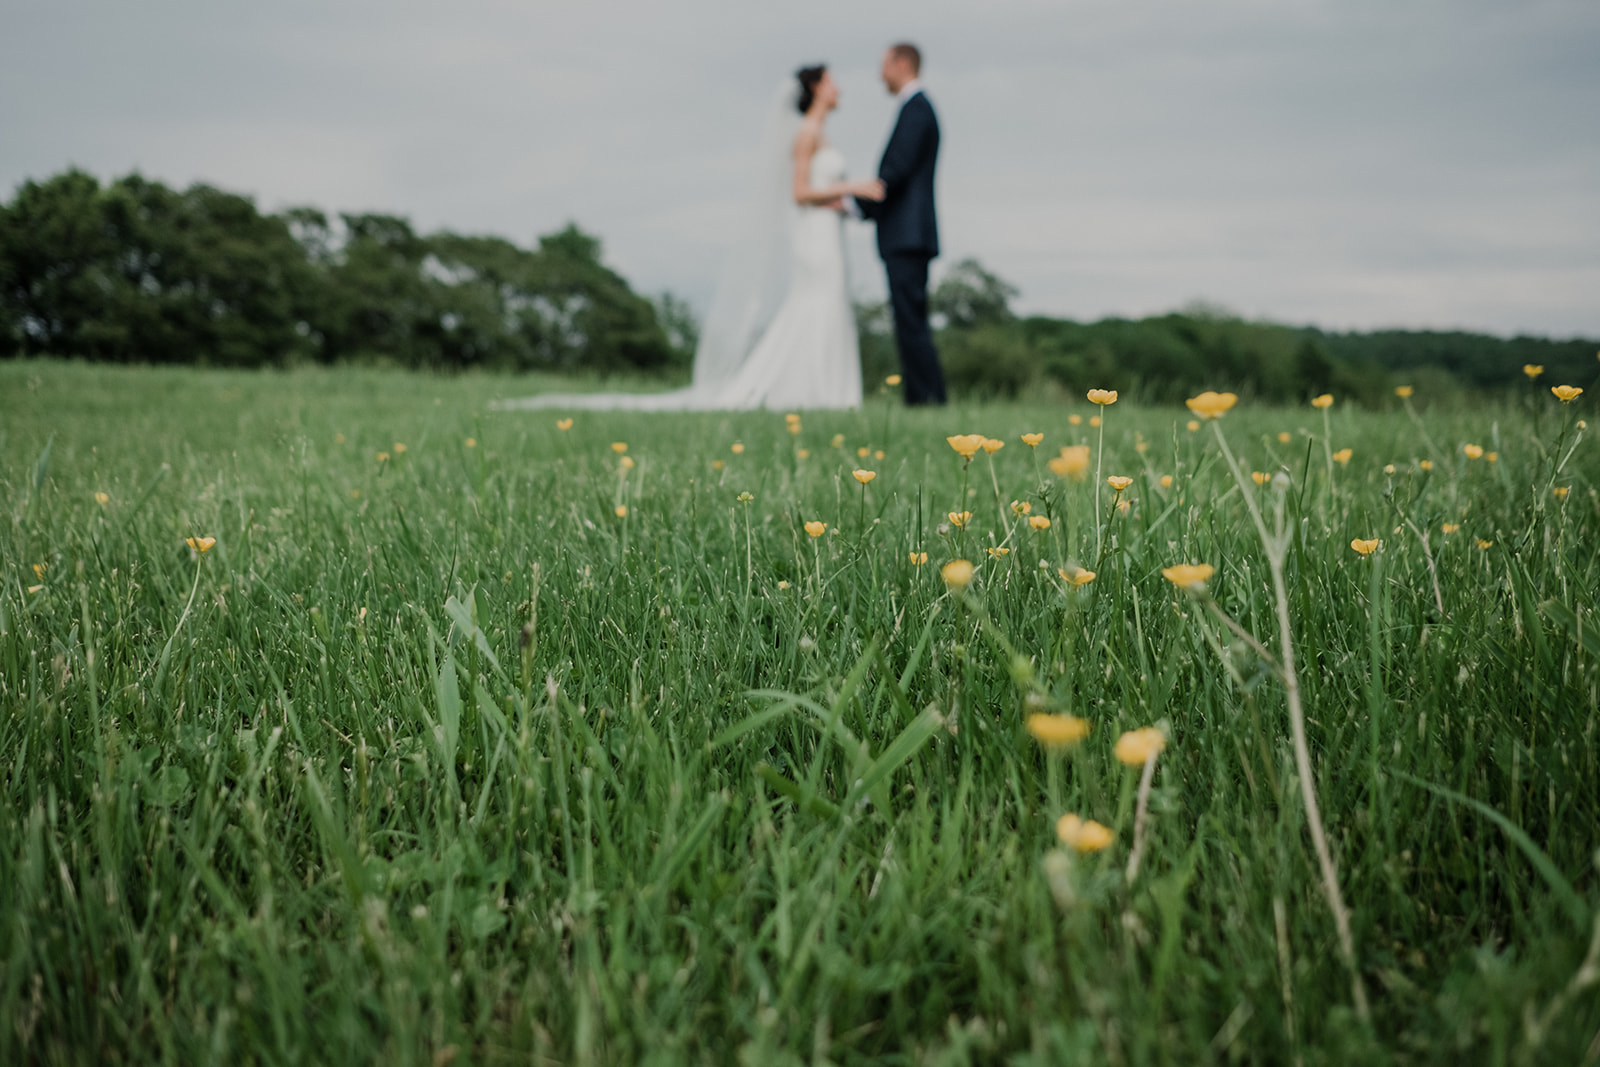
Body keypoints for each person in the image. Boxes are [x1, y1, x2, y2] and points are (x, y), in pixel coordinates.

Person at [495, 65, 881, 413]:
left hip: (830, 231)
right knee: (814, 304)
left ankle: (831, 392)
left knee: (830, 305)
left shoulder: (822, 135)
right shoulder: (807, 134)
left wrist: (841, 204)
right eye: (832, 82)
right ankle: (816, 391)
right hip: (814, 238)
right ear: (815, 87)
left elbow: (819, 193)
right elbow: (799, 193)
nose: (839, 89)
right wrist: (855, 186)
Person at [851, 43, 947, 406]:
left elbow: (895, 172)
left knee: (911, 323)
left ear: (902, 63)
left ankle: (926, 399)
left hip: (907, 234)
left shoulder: (916, 109)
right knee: (912, 322)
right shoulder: (917, 108)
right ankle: (927, 397)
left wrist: (857, 205)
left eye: (883, 65)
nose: (880, 75)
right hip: (910, 234)